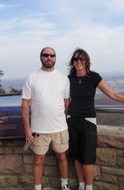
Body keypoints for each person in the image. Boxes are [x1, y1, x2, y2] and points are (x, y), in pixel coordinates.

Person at [67, 48, 124, 190]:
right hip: (72, 119)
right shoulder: (69, 79)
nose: (79, 61)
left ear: (87, 61)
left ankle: (89, 187)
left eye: (82, 59)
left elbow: (111, 93)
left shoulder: (94, 77)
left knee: (87, 158)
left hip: (88, 120)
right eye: (76, 59)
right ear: (72, 62)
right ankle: (81, 185)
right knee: (75, 155)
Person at [22, 47, 71, 190]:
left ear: (55, 58)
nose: (49, 57)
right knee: (38, 160)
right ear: (41, 57)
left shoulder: (63, 78)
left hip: (60, 128)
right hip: (38, 129)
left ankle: (64, 185)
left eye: (52, 55)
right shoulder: (32, 77)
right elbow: (25, 104)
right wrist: (27, 129)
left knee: (62, 157)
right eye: (46, 55)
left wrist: (63, 119)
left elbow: (66, 102)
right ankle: (37, 188)